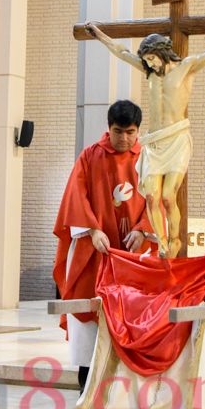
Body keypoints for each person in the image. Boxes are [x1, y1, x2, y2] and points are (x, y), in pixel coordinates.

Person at [85, 9, 205, 257]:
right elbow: (121, 52)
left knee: (169, 197)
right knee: (151, 196)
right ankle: (162, 244)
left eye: (151, 59)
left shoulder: (187, 67)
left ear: (161, 53)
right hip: (155, 142)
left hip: (176, 139)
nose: (148, 64)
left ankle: (174, 241)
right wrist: (99, 35)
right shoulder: (150, 71)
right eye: (146, 60)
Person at [53, 100, 154, 391]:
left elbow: (157, 199)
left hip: (132, 251)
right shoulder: (90, 156)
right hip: (95, 249)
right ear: (108, 129)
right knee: (89, 310)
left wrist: (144, 229)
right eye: (118, 132)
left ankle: (127, 382)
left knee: (131, 312)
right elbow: (76, 195)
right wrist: (92, 229)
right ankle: (87, 380)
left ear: (139, 130)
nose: (124, 139)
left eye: (131, 132)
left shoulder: (147, 159)